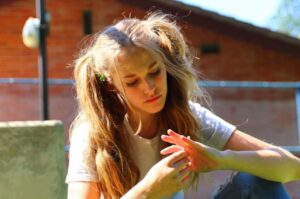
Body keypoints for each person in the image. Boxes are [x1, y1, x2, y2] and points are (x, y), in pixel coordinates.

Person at [65, 12, 300, 199]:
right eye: (132, 81)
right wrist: (147, 191)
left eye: (154, 72)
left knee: (253, 183)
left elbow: (292, 168)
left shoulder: (188, 113)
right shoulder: (91, 132)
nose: (149, 87)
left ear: (165, 65)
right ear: (112, 86)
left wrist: (222, 159)